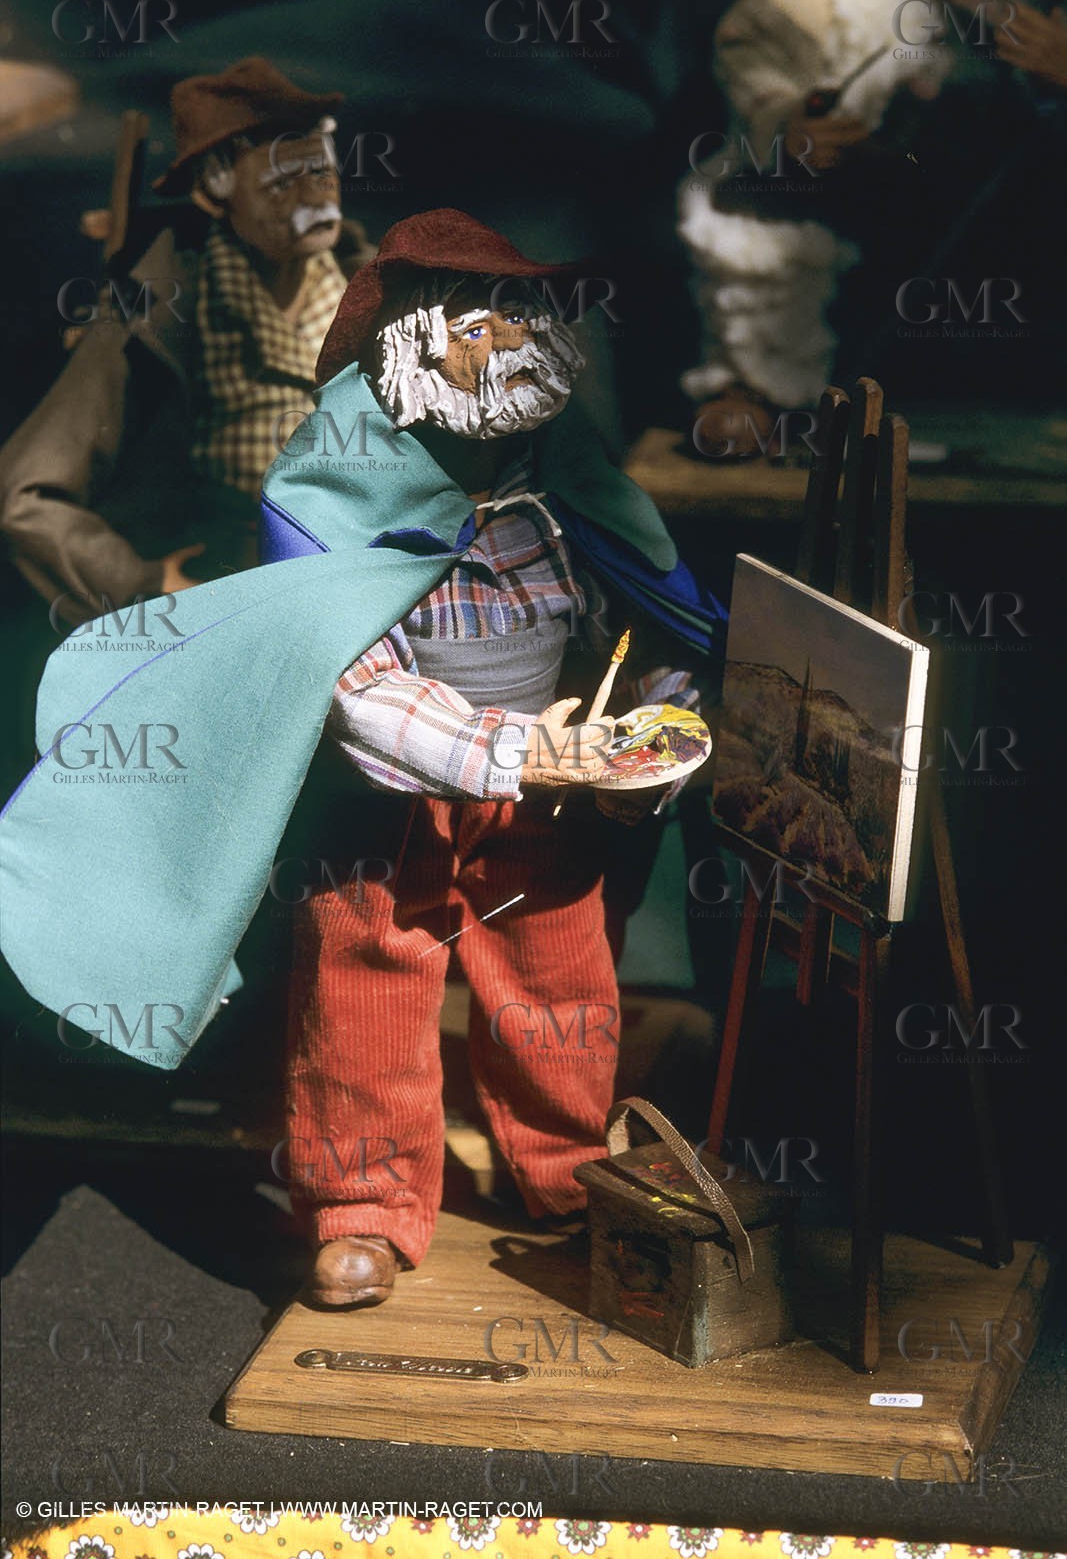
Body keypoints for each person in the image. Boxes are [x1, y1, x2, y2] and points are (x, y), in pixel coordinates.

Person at [0, 210, 725, 1309]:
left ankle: (566, 1172)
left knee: (559, 977)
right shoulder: (333, 482)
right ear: (414, 343)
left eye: (526, 315)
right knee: (363, 996)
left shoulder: (566, 469)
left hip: (551, 787)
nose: (512, 340)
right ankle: (362, 1209)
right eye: (481, 322)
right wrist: (515, 750)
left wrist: (652, 727)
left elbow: (651, 612)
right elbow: (352, 681)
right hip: (386, 800)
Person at [0, 57, 372, 624]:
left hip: (363, 583)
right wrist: (141, 584)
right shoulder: (159, 310)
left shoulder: (372, 291)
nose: (314, 199)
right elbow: (27, 497)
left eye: (320, 173)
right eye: (280, 184)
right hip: (234, 597)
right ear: (217, 192)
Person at [678, 0, 948, 455]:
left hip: (961, 167)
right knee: (761, 227)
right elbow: (750, 50)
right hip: (823, 179)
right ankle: (754, 383)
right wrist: (788, 119)